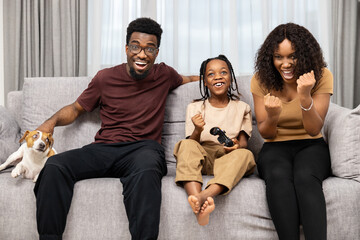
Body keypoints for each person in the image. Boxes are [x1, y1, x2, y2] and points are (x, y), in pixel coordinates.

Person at [34, 17, 198, 240]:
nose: (141, 54)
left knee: (147, 168)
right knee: (55, 166)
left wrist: (217, 79)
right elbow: (75, 109)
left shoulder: (164, 74)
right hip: (104, 148)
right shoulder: (105, 78)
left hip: (143, 149)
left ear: (156, 52)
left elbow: (189, 78)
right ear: (126, 48)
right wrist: (50, 122)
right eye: (135, 47)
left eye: (149, 49)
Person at [251, 23, 333, 240]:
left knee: (305, 177)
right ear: (271, 57)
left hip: (311, 144)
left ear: (304, 55)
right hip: (274, 146)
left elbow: (314, 128)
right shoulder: (260, 79)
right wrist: (273, 116)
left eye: (293, 57)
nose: (285, 64)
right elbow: (266, 133)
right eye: (279, 57)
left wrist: (305, 96)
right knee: (278, 177)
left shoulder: (322, 76)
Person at [173, 55, 256, 226]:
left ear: (230, 77)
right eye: (211, 74)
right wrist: (197, 129)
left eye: (223, 72)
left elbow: (243, 143)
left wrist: (236, 147)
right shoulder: (195, 108)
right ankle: (198, 204)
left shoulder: (242, 108)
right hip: (203, 156)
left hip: (228, 158)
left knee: (246, 154)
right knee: (185, 145)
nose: (218, 76)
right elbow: (192, 144)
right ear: (205, 82)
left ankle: (203, 196)